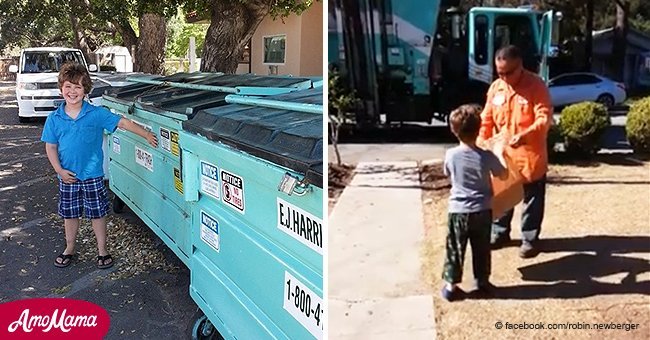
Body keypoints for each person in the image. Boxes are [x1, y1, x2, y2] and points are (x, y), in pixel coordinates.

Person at [41, 62, 158, 269]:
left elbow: (122, 122)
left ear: (85, 90)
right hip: (67, 177)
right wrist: (58, 170)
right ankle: (69, 248)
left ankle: (102, 250)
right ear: (61, 89)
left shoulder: (96, 114)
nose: (72, 91)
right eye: (68, 86)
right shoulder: (54, 118)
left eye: (77, 87)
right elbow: (51, 147)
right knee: (70, 214)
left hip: (93, 175)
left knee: (97, 213)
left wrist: (146, 134)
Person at [477, 45, 552, 258]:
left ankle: (529, 239)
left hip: (530, 156)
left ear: (520, 66)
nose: (504, 77)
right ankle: (500, 232)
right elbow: (487, 119)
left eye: (508, 72)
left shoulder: (536, 85)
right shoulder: (496, 88)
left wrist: (526, 134)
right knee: (503, 195)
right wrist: (482, 140)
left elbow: (543, 117)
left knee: (532, 199)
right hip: (504, 157)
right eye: (499, 72)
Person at [441, 104, 507, 301]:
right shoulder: (487, 156)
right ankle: (481, 282)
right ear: (479, 130)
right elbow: (502, 174)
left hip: (458, 211)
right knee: (481, 247)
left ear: (454, 130)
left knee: (455, 248)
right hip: (482, 209)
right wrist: (500, 154)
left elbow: (447, 173)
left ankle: (451, 286)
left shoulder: (450, 155)